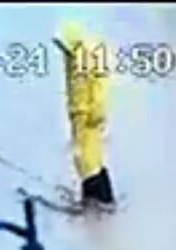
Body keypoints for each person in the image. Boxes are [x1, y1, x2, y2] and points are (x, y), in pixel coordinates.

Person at [54, 21, 115, 209]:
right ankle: (91, 199)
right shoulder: (72, 57)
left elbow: (98, 85)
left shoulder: (86, 56)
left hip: (88, 115)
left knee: (89, 158)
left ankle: (100, 198)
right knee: (83, 156)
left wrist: (97, 110)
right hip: (78, 114)